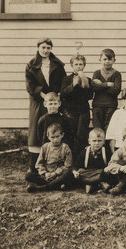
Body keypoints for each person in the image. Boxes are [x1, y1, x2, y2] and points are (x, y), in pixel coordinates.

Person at [25, 37, 66, 173]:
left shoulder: (57, 64)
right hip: (39, 101)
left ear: (51, 49)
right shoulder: (31, 65)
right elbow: (30, 86)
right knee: (37, 130)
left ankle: (53, 163)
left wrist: (56, 97)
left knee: (55, 126)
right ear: (38, 48)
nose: (45, 50)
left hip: (54, 102)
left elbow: (63, 81)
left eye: (48, 48)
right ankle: (35, 166)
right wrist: (45, 97)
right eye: (43, 47)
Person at [60, 54, 93, 154]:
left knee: (82, 136)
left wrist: (85, 84)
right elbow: (63, 94)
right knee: (70, 135)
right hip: (69, 112)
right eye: (76, 64)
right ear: (72, 65)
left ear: (84, 66)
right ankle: (70, 160)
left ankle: (80, 160)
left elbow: (90, 96)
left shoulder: (88, 79)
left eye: (81, 64)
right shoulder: (66, 79)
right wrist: (73, 86)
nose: (78, 66)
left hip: (83, 112)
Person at [26, 123, 73, 192]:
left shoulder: (65, 147)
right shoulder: (45, 147)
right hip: (46, 176)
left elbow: (68, 165)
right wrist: (45, 173)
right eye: (52, 137)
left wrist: (55, 173)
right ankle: (56, 185)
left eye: (57, 136)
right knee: (28, 175)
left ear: (62, 135)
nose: (55, 140)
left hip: (58, 175)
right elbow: (39, 163)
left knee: (68, 173)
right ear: (48, 137)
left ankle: (43, 187)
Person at [72, 128, 113, 194]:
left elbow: (111, 163)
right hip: (88, 173)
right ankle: (98, 184)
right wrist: (75, 172)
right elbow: (76, 165)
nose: (97, 143)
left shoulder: (106, 152)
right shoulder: (84, 152)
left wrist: (108, 168)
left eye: (99, 141)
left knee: (106, 173)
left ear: (104, 141)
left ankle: (91, 185)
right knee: (79, 173)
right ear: (89, 141)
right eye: (94, 141)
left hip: (100, 173)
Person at [92, 48, 122, 132]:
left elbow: (116, 90)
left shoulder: (117, 74)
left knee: (109, 130)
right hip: (97, 106)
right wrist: (107, 84)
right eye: (105, 59)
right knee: (98, 130)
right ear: (100, 60)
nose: (107, 61)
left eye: (110, 59)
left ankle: (108, 146)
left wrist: (100, 85)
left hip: (111, 105)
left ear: (114, 60)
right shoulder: (97, 73)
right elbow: (94, 88)